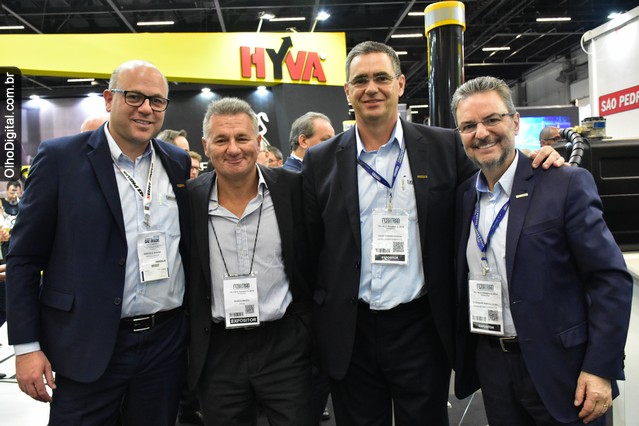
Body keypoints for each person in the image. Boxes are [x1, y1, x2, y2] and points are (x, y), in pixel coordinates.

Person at [302, 41, 563, 425]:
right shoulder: (320, 160)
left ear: (400, 84)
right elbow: (311, 246)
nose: (371, 88)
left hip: (420, 328)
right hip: (350, 330)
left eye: (381, 78)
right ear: (347, 91)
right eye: (360, 80)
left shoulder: (445, 147)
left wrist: (537, 163)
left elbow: (494, 178)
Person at [6, 60, 191, 425]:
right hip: (86, 343)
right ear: (109, 99)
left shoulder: (177, 162)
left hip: (164, 346)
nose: (146, 108)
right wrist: (27, 347)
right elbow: (24, 257)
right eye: (134, 97)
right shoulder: (60, 159)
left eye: (157, 101)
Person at [451, 76, 633, 425]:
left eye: (492, 119)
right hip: (494, 366)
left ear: (515, 122)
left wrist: (600, 367)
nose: (482, 133)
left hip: (564, 369)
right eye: (469, 126)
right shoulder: (464, 197)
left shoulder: (563, 183)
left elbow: (609, 279)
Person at [187, 97, 313, 425]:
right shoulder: (190, 199)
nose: (233, 149)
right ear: (206, 145)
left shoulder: (293, 190)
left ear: (258, 142)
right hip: (219, 350)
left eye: (242, 138)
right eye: (221, 140)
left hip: (285, 345)